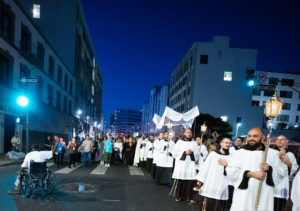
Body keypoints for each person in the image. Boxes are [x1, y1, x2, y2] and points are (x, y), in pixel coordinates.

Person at [227, 128, 287, 211]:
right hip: (244, 195)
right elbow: (231, 171)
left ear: (263, 138)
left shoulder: (272, 153)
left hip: (264, 195)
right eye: (249, 136)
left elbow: (282, 173)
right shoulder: (240, 153)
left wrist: (270, 169)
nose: (251, 138)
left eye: (255, 136)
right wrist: (249, 174)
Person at [196, 138, 232, 210]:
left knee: (219, 204)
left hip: (223, 183)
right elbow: (205, 167)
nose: (228, 144)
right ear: (221, 144)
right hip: (211, 182)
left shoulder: (231, 156)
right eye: (226, 143)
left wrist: (227, 165)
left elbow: (234, 170)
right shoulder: (213, 154)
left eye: (229, 143)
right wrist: (200, 179)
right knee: (207, 203)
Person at [171, 128, 199, 203]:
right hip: (181, 165)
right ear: (184, 133)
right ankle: (179, 196)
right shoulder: (179, 142)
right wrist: (184, 153)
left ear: (191, 134)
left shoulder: (194, 143)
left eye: (190, 132)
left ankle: (189, 198)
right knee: (180, 181)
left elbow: (197, 154)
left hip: (190, 165)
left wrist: (192, 153)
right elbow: (174, 153)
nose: (189, 134)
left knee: (190, 182)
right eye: (187, 132)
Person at [273, 135, 299, 211]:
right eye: (277, 139)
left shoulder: (290, 155)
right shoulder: (270, 152)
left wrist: (289, 164)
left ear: (287, 141)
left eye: (282, 139)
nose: (279, 141)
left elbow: (295, 170)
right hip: (269, 186)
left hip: (281, 187)